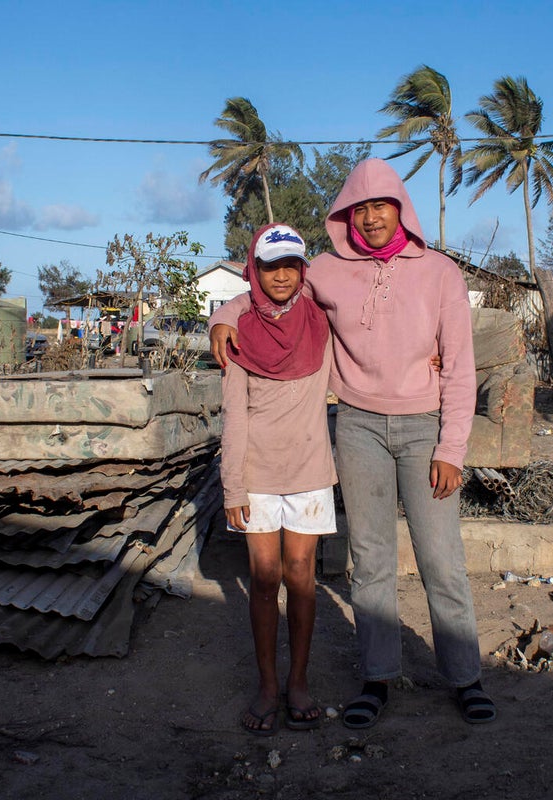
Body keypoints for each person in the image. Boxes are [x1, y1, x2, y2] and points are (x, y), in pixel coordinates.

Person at [210, 158, 496, 727]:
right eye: (358, 209)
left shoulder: (441, 272)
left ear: (400, 209)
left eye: (379, 206)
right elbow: (270, 292)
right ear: (346, 215)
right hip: (359, 426)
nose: (369, 219)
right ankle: (377, 679)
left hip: (424, 429)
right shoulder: (328, 269)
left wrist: (451, 448)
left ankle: (465, 678)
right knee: (370, 560)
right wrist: (222, 314)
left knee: (441, 559)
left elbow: (461, 368)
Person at [220, 223, 336, 736]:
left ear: (303, 268)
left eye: (292, 264)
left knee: (302, 578)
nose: (282, 275)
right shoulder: (238, 331)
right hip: (258, 474)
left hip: (310, 470)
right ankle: (268, 685)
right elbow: (233, 415)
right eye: (271, 266)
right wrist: (232, 486)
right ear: (254, 269)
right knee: (265, 580)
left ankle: (299, 681)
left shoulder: (321, 323)